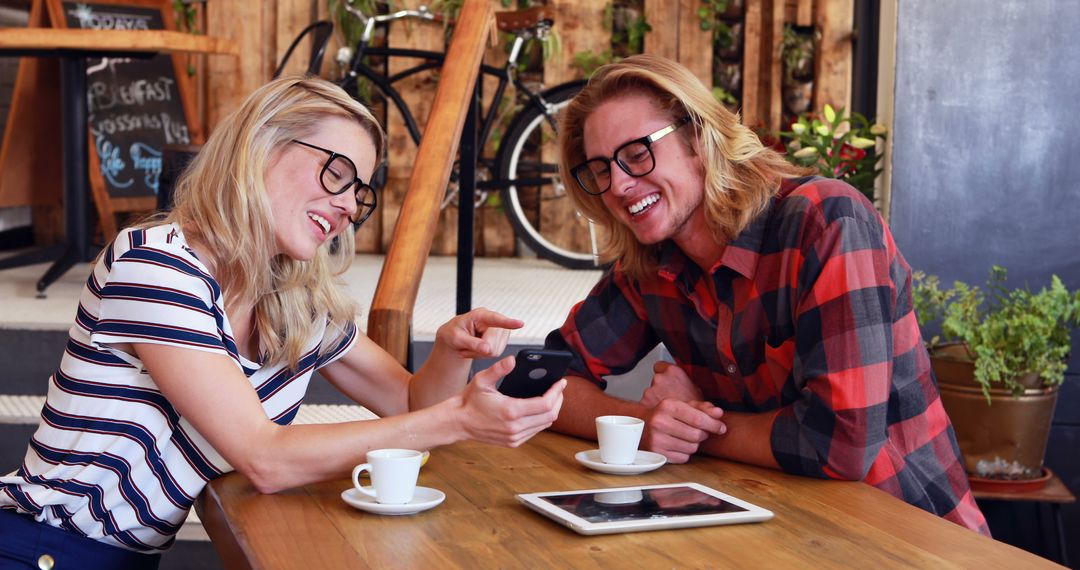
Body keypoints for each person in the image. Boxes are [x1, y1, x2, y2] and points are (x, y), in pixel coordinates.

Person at [0, 76, 565, 569]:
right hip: (37, 549)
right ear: (260, 144)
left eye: (359, 192)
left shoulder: (291, 298)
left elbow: (413, 408)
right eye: (336, 173)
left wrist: (449, 354)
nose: (348, 205)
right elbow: (264, 457)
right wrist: (461, 422)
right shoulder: (156, 263)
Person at [543, 54, 988, 534]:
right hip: (778, 531)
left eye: (636, 153)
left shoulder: (826, 222)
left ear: (697, 138)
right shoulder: (652, 262)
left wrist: (700, 429)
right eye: (601, 169)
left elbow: (841, 445)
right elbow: (543, 382)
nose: (621, 185)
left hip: (912, 536)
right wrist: (646, 424)